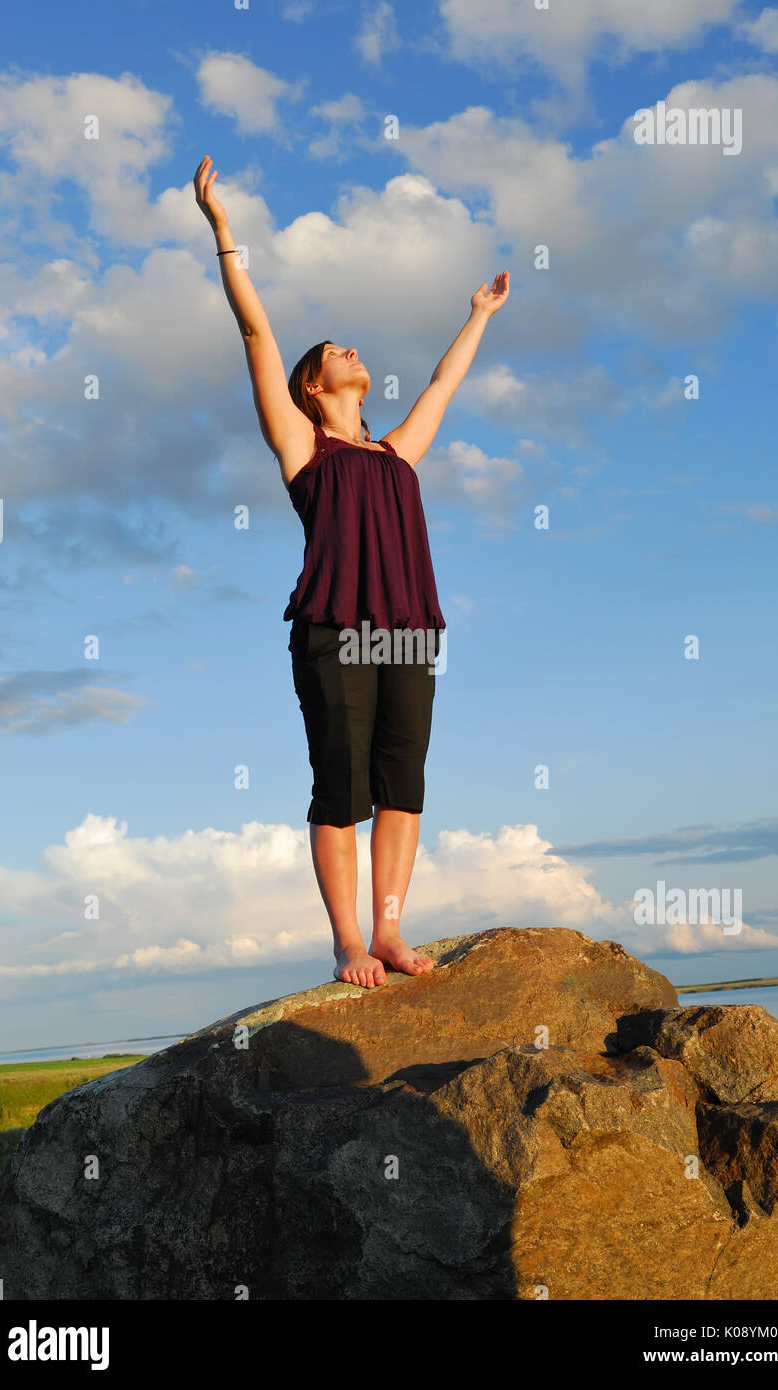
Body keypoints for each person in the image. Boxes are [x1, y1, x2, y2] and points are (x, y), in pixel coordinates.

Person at [194, 155, 509, 989]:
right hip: (334, 629)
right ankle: (346, 943)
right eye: (337, 350)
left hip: (408, 631)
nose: (352, 351)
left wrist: (478, 314)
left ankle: (392, 934)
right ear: (312, 383)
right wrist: (225, 234)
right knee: (342, 788)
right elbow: (257, 333)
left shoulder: (398, 452)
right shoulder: (304, 448)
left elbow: (445, 381)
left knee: (402, 786)